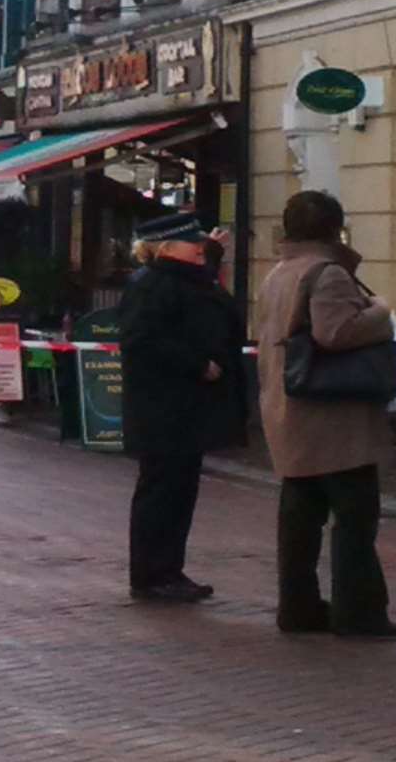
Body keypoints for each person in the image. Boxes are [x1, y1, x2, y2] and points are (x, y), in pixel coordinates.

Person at [255, 190, 396, 639]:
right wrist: (380, 312)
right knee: (355, 521)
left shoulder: (278, 274)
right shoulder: (328, 274)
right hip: (336, 422)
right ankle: (358, 612)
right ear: (334, 228)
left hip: (290, 413)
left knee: (300, 521)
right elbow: (334, 333)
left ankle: (298, 608)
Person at [117, 212, 248, 604]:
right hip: (164, 407)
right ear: (168, 247)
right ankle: (152, 574)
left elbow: (217, 311)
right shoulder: (152, 285)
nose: (200, 247)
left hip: (185, 408)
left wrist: (215, 258)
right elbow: (141, 340)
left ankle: (168, 569)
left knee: (180, 490)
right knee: (161, 491)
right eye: (193, 242)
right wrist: (196, 364)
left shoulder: (184, 279)